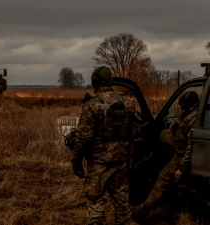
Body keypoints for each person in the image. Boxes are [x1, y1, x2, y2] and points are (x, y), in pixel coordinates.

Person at [71, 66, 136, 225]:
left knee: (96, 205)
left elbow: (83, 137)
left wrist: (76, 160)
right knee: (122, 206)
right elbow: (134, 132)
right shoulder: (127, 103)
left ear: (95, 82)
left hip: (99, 165)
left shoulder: (92, 105)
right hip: (120, 163)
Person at [131, 91, 199, 219]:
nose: (179, 107)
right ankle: (167, 159)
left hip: (182, 154)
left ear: (186, 105)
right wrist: (175, 125)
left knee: (163, 177)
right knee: (163, 134)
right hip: (179, 145)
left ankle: (143, 210)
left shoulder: (193, 121)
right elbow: (182, 120)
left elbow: (190, 148)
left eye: (181, 105)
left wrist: (180, 169)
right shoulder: (190, 113)